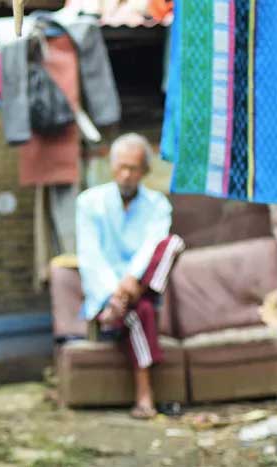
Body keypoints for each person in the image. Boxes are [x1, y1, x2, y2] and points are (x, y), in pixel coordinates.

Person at [76, 133, 184, 419]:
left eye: (133, 168)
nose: (126, 175)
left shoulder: (158, 205)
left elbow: (152, 247)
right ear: (111, 168)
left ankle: (128, 300)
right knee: (141, 311)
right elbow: (91, 257)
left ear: (145, 171)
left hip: (141, 285)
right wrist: (115, 292)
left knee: (172, 243)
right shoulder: (90, 203)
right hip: (106, 299)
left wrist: (131, 283)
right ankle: (144, 395)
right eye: (121, 167)